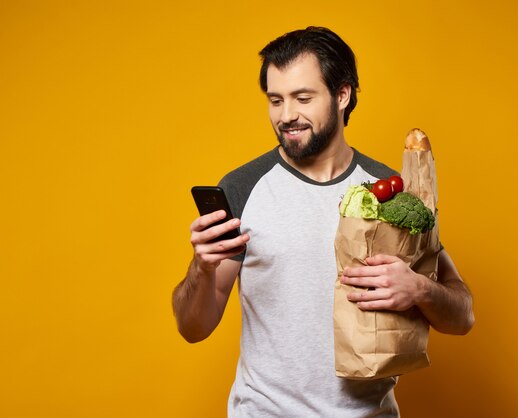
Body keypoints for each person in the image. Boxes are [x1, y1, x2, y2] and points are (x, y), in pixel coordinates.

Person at [172, 26, 474, 417]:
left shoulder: (392, 190)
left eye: (302, 98)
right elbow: (192, 328)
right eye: (275, 100)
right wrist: (202, 267)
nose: (286, 116)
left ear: (342, 95)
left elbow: (463, 316)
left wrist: (420, 290)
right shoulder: (243, 188)